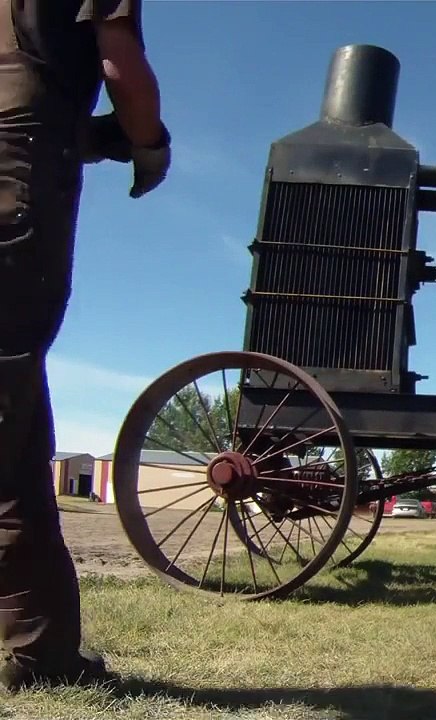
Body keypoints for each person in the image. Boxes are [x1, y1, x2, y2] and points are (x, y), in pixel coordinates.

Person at [0, 0, 170, 692]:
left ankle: (43, 654)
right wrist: (150, 143)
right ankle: (42, 654)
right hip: (19, 181)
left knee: (13, 420)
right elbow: (118, 63)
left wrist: (91, 135)